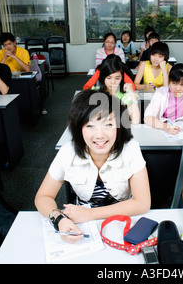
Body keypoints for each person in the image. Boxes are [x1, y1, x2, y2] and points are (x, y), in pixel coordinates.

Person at [34, 90, 151, 243]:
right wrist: (59, 219)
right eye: (90, 126)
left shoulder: (130, 148)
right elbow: (43, 197)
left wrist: (90, 214)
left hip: (122, 220)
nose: (100, 135)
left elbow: (142, 203)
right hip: (82, 224)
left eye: (108, 124)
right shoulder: (67, 152)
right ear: (78, 128)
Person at [144, 63, 183, 135]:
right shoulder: (161, 92)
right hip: (161, 128)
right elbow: (148, 118)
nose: (177, 89)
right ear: (169, 81)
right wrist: (166, 127)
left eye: (182, 85)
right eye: (174, 83)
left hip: (182, 129)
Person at [95, 54, 140, 124]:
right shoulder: (95, 93)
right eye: (109, 78)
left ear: (122, 78)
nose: (113, 82)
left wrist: (132, 95)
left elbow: (135, 121)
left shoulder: (125, 96)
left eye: (117, 78)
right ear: (103, 78)